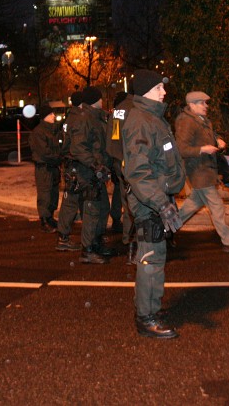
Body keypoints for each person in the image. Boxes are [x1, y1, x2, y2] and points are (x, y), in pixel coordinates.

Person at [122, 70, 186, 339]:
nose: (164, 92)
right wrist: (161, 204)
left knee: (155, 257)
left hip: (157, 198)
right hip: (149, 202)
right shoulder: (140, 121)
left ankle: (149, 309)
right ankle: (146, 318)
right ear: (146, 91)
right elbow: (138, 172)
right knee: (151, 259)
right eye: (159, 87)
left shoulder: (153, 118)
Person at [175, 91, 229, 254]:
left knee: (191, 206)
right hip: (198, 171)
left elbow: (209, 135)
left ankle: (165, 229)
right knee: (217, 207)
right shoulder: (186, 121)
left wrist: (217, 139)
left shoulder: (202, 119)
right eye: (202, 103)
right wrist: (202, 149)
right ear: (192, 105)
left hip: (207, 170)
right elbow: (181, 149)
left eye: (206, 103)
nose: (206, 106)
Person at [71, 86, 115, 264]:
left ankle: (96, 243)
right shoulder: (85, 118)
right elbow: (78, 148)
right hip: (88, 173)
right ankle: (87, 249)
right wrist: (95, 165)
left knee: (103, 208)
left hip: (98, 173)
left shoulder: (97, 117)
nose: (102, 101)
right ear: (95, 100)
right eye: (100, 98)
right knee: (91, 211)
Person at [106, 91, 136, 264]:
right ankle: (134, 239)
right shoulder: (136, 108)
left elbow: (114, 137)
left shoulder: (118, 111)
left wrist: (117, 159)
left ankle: (127, 237)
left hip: (120, 161)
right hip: (132, 162)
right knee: (135, 202)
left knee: (126, 201)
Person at [55, 91, 85, 252]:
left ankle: (64, 235)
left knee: (72, 200)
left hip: (70, 163)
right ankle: (63, 237)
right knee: (71, 201)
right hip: (75, 164)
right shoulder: (77, 119)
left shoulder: (69, 118)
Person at [29, 103, 62, 232]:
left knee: (53, 194)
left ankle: (50, 217)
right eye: (51, 114)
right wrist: (59, 158)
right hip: (44, 168)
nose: (54, 116)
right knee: (45, 194)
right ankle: (44, 220)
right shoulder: (38, 132)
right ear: (45, 116)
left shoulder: (53, 130)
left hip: (53, 167)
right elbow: (44, 152)